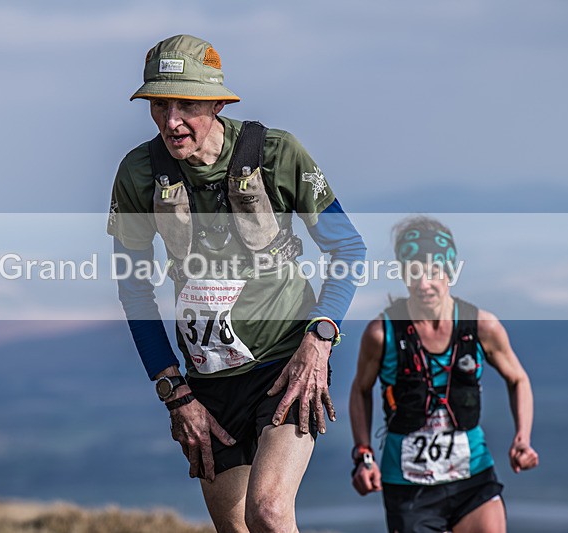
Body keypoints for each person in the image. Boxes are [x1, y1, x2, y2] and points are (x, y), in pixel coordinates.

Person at [108, 35, 366, 532]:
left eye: (186, 105)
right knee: (237, 528)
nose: (171, 120)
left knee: (268, 511)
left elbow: (348, 248)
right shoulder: (139, 174)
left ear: (218, 103)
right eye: (159, 105)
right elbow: (134, 288)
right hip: (207, 382)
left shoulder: (276, 152)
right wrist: (175, 391)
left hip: (287, 366)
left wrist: (320, 339)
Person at [349, 215, 539, 533]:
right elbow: (360, 389)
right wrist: (363, 453)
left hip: (473, 478)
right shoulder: (382, 333)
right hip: (409, 487)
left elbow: (518, 378)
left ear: (450, 271)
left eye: (434, 272)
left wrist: (523, 437)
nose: (424, 284)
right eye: (414, 273)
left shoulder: (481, 326)